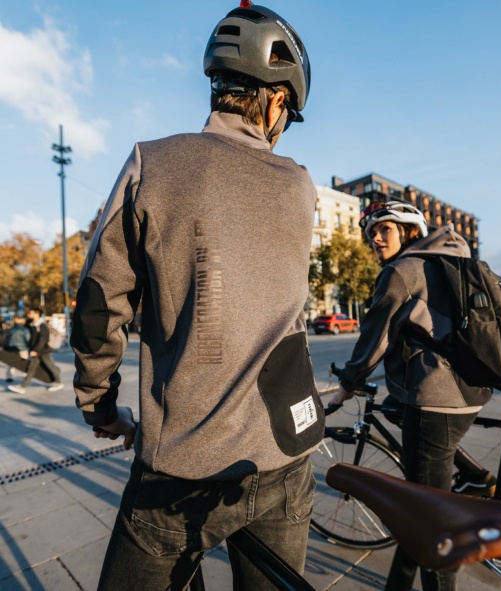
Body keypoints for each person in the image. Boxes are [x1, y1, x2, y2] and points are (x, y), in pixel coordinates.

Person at [70, 4, 324, 590]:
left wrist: (99, 406)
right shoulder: (300, 183)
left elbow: (100, 301)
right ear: (278, 101)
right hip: (285, 451)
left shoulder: (153, 164)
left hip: (182, 461)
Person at [329, 201, 493, 591]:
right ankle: (474, 476)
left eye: (384, 229)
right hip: (468, 394)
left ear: (409, 231)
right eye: (371, 234)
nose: (376, 239)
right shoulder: (446, 263)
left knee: (428, 520)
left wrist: (346, 386)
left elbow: (374, 338)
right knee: (421, 492)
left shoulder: (402, 271)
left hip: (434, 399)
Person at [8, 307, 64, 394]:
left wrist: (35, 350)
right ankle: (23, 386)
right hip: (38, 352)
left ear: (37, 313)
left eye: (31, 313)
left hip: (43, 351)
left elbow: (42, 339)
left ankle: (58, 382)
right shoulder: (32, 325)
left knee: (50, 366)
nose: (28, 314)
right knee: (32, 368)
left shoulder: (42, 326)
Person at [3, 312, 31, 382]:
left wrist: (6, 347)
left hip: (11, 348)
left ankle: (9, 377)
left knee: (11, 363)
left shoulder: (11, 329)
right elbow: (28, 338)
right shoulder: (25, 329)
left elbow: (7, 338)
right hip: (23, 348)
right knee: (24, 362)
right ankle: (25, 376)